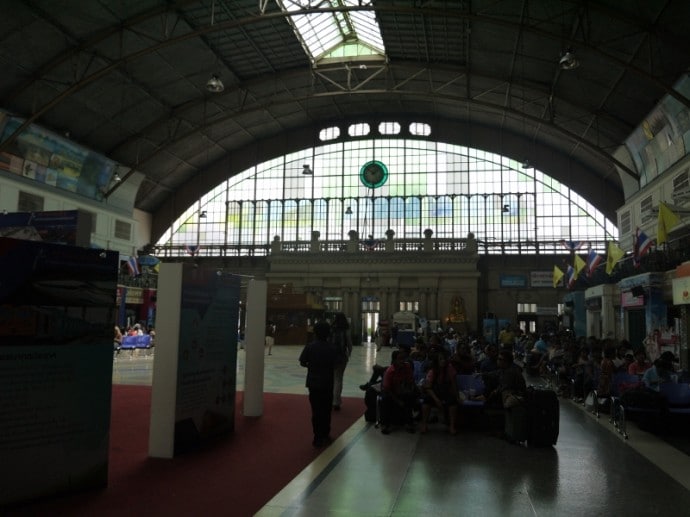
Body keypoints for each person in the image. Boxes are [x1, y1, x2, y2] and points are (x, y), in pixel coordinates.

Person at [299, 321, 338, 447]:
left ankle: (317, 436)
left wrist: (311, 366)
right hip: (328, 382)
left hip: (314, 383)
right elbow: (337, 364)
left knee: (316, 410)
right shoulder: (332, 348)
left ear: (315, 333)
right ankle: (325, 433)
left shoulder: (310, 346)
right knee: (326, 409)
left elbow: (302, 362)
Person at [420, 350, 460, 435]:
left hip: (445, 392)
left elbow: (454, 384)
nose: (443, 361)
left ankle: (452, 426)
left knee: (453, 402)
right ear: (437, 361)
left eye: (444, 359)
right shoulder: (432, 371)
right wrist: (436, 400)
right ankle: (424, 424)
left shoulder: (450, 368)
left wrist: (457, 397)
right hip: (434, 393)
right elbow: (428, 388)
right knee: (426, 401)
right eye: (441, 359)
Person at [380, 349, 417, 435]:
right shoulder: (390, 371)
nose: (402, 361)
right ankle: (385, 425)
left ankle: (409, 423)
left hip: (402, 390)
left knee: (410, 396)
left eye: (403, 358)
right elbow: (387, 389)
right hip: (390, 392)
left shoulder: (407, 367)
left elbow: (411, 381)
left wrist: (411, 389)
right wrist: (398, 401)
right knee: (385, 399)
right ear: (394, 360)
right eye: (399, 359)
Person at [331, 313, 353, 411]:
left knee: (331, 379)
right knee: (338, 379)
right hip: (341, 357)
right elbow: (349, 344)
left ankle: (330, 399)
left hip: (331, 357)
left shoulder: (331, 329)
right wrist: (349, 353)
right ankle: (336, 402)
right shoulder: (346, 330)